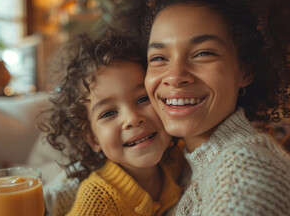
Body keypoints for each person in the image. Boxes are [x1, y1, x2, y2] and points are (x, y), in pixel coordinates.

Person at [109, 0, 290, 215]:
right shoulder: (182, 166)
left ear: (246, 70)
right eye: (159, 58)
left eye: (203, 53)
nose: (175, 76)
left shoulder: (246, 175)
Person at [40, 29, 184, 216]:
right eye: (108, 113)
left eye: (142, 99)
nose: (132, 118)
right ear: (93, 140)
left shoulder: (179, 159)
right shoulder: (96, 199)